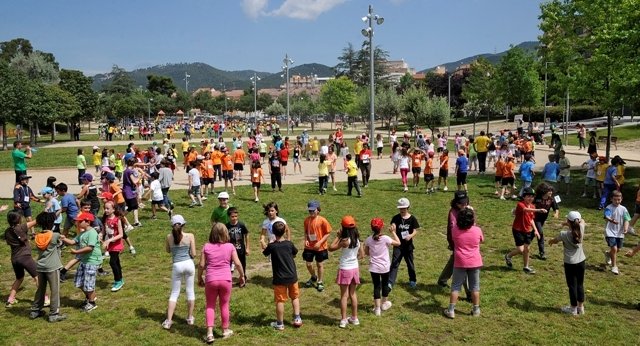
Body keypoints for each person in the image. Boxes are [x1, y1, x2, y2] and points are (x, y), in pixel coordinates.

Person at [198, 223, 245, 343]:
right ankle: (225, 330)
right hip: (226, 280)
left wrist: (199, 278)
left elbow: (202, 265)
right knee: (224, 305)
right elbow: (238, 263)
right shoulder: (230, 246)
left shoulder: (206, 246)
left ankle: (209, 333)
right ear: (225, 233)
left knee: (210, 305)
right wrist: (242, 275)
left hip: (211, 280)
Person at [261, 221, 303, 331]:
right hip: (292, 276)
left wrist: (263, 243)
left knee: (280, 301)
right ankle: (297, 318)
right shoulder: (289, 244)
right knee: (295, 297)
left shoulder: (272, 246)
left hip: (279, 278)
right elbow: (294, 254)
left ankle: (280, 323)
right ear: (285, 231)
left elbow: (265, 253)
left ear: (272, 232)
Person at [443, 208, 484, 319]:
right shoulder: (477, 230)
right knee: (475, 286)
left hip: (460, 261)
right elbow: (482, 240)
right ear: (472, 220)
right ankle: (476, 309)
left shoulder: (455, 230)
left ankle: (451, 310)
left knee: (456, 286)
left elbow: (457, 226)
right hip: (474, 261)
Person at [60, 211, 102, 312]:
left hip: (91, 261)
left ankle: (92, 303)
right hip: (84, 261)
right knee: (79, 282)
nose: (77, 223)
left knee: (88, 283)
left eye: (80, 221)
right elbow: (73, 242)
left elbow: (90, 248)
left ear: (87, 222)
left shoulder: (92, 233)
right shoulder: (82, 233)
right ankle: (89, 297)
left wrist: (76, 251)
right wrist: (64, 238)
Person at [29, 212, 66, 322]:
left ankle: (35, 310)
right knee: (55, 290)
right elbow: (61, 244)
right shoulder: (55, 236)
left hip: (40, 266)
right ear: (52, 223)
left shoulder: (37, 236)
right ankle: (54, 314)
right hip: (52, 267)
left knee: (41, 289)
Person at [328, 215, 364, 328]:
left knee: (344, 295)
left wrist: (337, 236)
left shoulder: (344, 241)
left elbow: (331, 247)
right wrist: (354, 259)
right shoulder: (357, 240)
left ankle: (343, 319)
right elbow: (362, 255)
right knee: (353, 294)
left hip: (345, 269)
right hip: (355, 268)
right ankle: (354, 318)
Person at [162, 215, 197, 330]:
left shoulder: (169, 237)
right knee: (190, 291)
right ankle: (190, 317)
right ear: (183, 225)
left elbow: (168, 250)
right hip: (189, 264)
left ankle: (168, 321)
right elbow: (194, 254)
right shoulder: (190, 236)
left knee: (174, 293)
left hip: (177, 265)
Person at [548, 211, 586, 315]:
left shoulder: (564, 234)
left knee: (572, 285)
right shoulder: (581, 228)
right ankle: (580, 308)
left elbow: (555, 240)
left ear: (568, 222)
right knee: (580, 284)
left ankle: (573, 309)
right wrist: (570, 222)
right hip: (581, 261)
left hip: (570, 263)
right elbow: (582, 221)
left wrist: (551, 241)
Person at [437, 191, 472, 300]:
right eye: (461, 204)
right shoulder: (453, 213)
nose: (464, 205)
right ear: (455, 203)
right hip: (457, 242)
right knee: (464, 266)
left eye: (465, 203)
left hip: (466, 241)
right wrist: (454, 243)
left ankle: (442, 280)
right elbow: (453, 229)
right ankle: (470, 293)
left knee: (454, 260)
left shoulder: (467, 209)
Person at [505, 187, 546, 274]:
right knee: (520, 250)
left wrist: (536, 230)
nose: (530, 198)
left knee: (527, 249)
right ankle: (508, 256)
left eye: (532, 196)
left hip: (528, 230)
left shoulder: (532, 206)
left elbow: (531, 219)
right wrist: (539, 210)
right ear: (524, 197)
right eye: (528, 196)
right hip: (518, 230)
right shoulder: (520, 204)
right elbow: (525, 210)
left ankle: (526, 267)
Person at [364, 217, 400, 316]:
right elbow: (398, 243)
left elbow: (366, 253)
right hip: (385, 267)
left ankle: (377, 309)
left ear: (371, 228)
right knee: (385, 284)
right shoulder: (385, 238)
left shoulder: (368, 240)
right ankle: (384, 304)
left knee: (376, 286)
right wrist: (393, 232)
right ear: (382, 227)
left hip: (374, 267)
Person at [4, 211, 39, 307]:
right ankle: (44, 298)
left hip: (14, 259)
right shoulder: (21, 227)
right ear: (18, 219)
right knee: (37, 277)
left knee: (19, 278)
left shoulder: (7, 231)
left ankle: (10, 299)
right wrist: (47, 210)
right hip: (25, 257)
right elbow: (37, 221)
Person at [388, 197, 420, 289]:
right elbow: (393, 224)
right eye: (400, 208)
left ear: (408, 207)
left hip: (408, 246)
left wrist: (410, 236)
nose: (402, 210)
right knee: (394, 263)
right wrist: (392, 227)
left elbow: (415, 230)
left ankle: (413, 280)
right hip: (398, 245)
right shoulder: (396, 217)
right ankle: (390, 282)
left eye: (404, 208)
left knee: (410, 264)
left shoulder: (412, 218)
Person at [302, 200, 332, 292]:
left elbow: (328, 233)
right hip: (309, 247)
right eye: (309, 211)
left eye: (313, 210)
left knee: (319, 264)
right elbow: (306, 232)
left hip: (320, 247)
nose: (311, 212)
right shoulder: (307, 220)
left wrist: (320, 242)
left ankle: (320, 281)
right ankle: (313, 277)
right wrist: (306, 240)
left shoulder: (322, 220)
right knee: (308, 264)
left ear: (318, 210)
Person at [603, 190, 630, 275]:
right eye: (615, 199)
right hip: (610, 231)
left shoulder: (623, 209)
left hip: (619, 232)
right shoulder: (609, 207)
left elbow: (626, 219)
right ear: (611, 199)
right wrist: (612, 220)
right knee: (614, 249)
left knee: (618, 249)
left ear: (621, 199)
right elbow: (607, 216)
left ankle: (608, 254)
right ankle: (614, 267)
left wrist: (625, 228)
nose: (617, 201)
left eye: (619, 199)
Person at [100, 201, 125, 292]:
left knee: (112, 262)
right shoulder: (105, 219)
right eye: (105, 208)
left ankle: (117, 281)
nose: (106, 210)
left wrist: (109, 240)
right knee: (117, 262)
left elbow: (121, 234)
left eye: (108, 208)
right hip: (109, 244)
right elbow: (104, 230)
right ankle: (121, 279)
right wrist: (100, 235)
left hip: (116, 244)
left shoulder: (117, 220)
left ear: (113, 209)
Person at [533, 182, 559, 261]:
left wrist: (556, 214)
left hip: (542, 220)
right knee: (540, 233)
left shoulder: (551, 199)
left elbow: (556, 208)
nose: (550, 192)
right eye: (549, 191)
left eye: (551, 191)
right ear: (544, 191)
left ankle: (524, 245)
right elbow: (529, 205)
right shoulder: (537, 198)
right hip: (535, 218)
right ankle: (542, 252)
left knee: (532, 234)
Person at [225, 207, 250, 286]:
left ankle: (242, 278)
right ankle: (228, 279)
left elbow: (247, 234)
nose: (234, 218)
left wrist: (247, 247)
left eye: (236, 216)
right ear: (229, 216)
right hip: (230, 250)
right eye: (232, 216)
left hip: (240, 249)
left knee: (242, 264)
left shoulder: (241, 225)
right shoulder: (226, 226)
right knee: (228, 264)